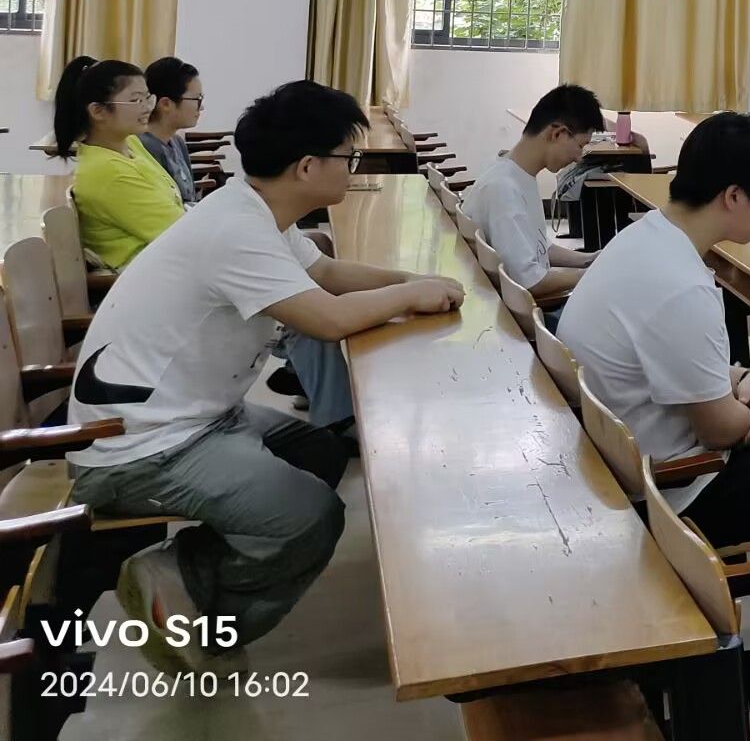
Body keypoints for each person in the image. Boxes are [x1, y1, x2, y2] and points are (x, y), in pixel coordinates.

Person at [66, 80, 465, 670]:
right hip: (138, 448)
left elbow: (324, 272)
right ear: (307, 167)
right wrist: (411, 294)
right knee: (313, 517)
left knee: (318, 453)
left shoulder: (255, 211)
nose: (351, 168)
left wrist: (412, 280)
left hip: (192, 415)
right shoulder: (236, 232)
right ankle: (194, 602)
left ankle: (195, 568)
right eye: (347, 157)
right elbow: (327, 318)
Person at [559, 111, 750, 547]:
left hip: (615, 456)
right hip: (676, 488)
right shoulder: (683, 286)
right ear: (735, 196)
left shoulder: (643, 237)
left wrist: (746, 376)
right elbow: (720, 431)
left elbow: (678, 359)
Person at [461, 84, 603, 302]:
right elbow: (531, 282)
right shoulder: (503, 189)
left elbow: (539, 247)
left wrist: (590, 259)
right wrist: (590, 275)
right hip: (531, 311)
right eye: (580, 146)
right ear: (557, 133)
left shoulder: (517, 174)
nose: (578, 158)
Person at [55, 56, 185, 271]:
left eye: (147, 98)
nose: (147, 108)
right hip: (150, 275)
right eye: (135, 100)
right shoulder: (107, 172)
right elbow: (180, 233)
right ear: (98, 111)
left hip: (168, 261)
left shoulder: (130, 143)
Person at [139, 56, 205, 206]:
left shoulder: (177, 142)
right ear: (166, 104)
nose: (201, 107)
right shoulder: (143, 147)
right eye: (197, 99)